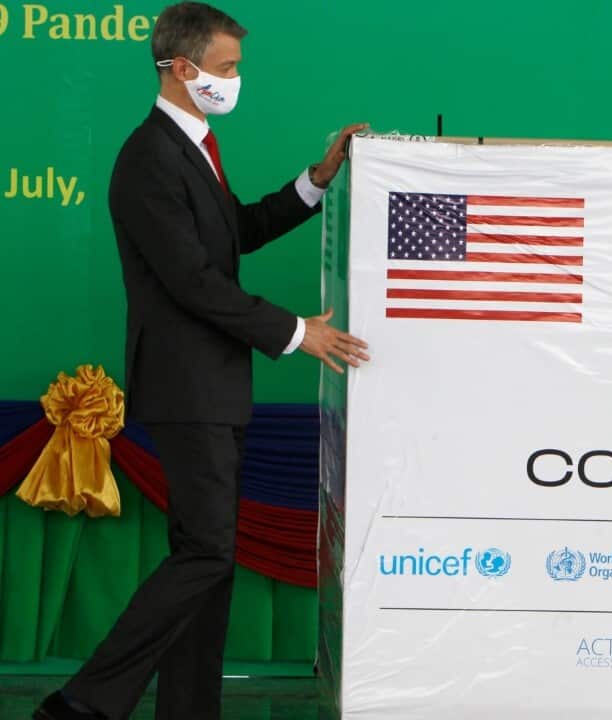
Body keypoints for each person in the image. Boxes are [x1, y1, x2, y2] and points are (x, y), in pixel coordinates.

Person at [34, 3, 370, 719]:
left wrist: (316, 178)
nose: (235, 79)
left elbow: (234, 233)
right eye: (227, 68)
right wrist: (293, 332)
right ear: (183, 70)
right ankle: (83, 703)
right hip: (187, 385)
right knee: (206, 555)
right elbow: (192, 281)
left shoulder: (195, 146)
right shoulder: (148, 157)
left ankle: (189, 710)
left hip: (216, 385)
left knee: (208, 562)